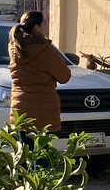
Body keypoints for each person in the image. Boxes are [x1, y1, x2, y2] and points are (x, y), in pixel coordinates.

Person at [8, 10, 72, 144]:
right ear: (37, 27)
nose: (46, 27)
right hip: (43, 112)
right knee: (42, 153)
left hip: (20, 110)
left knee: (24, 152)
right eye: (44, 23)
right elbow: (65, 76)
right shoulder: (45, 51)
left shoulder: (15, 48)